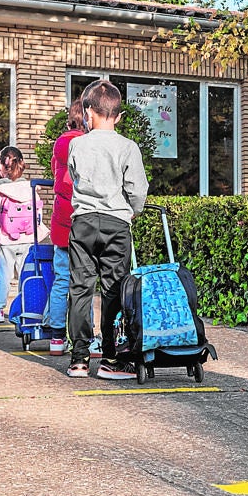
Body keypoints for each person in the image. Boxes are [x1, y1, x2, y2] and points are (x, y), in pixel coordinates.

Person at [65, 79, 148, 379]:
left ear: (88, 113)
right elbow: (137, 190)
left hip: (84, 221)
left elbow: (73, 176)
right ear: (119, 115)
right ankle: (112, 359)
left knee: (80, 289)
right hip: (116, 223)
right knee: (114, 290)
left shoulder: (76, 144)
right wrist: (133, 211)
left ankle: (79, 359)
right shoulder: (128, 147)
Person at [45, 99, 99, 358]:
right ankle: (85, 338)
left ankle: (56, 337)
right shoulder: (89, 145)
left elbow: (58, 174)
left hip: (61, 221)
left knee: (61, 280)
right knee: (83, 283)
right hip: (83, 219)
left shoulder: (60, 143)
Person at [0, 147, 40, 323]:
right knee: (25, 275)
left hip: (4, 239)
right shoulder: (30, 187)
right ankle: (27, 309)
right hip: (27, 238)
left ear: (2, 166)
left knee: (4, 275)